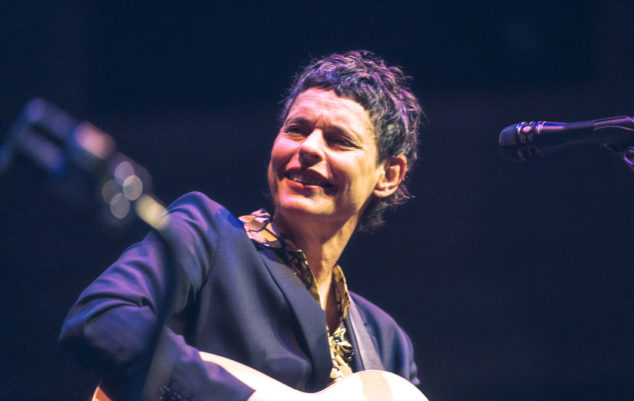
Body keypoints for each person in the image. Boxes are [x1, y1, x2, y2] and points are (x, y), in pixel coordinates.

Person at [59, 50, 423, 401]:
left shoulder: (388, 345)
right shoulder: (207, 234)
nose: (310, 148)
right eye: (296, 130)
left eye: (339, 140)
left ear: (388, 175)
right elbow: (102, 317)